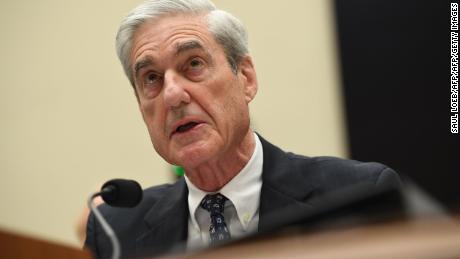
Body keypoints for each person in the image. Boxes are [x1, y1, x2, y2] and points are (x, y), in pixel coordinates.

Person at [84, 0, 401, 258]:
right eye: (151, 78)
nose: (172, 95)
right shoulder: (114, 231)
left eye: (193, 64)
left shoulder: (361, 194)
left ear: (246, 78)